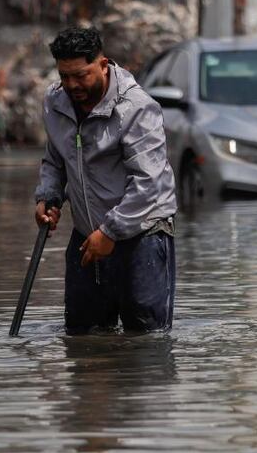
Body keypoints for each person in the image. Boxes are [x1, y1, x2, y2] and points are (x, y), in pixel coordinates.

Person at [33, 26, 178, 334]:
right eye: (65, 76)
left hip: (142, 234)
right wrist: (49, 196)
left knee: (145, 341)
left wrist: (110, 232)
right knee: (83, 336)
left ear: (103, 64)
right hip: (88, 235)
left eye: (81, 75)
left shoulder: (137, 108)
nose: (72, 85)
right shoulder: (55, 102)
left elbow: (148, 183)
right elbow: (55, 159)